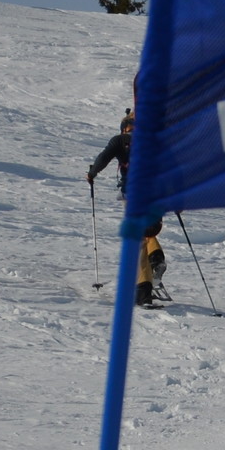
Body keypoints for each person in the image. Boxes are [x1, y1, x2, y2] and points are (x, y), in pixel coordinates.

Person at [89, 112, 169, 307]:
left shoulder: (120, 141)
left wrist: (91, 174)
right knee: (148, 229)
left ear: (125, 127)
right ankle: (156, 256)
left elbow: (103, 159)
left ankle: (143, 291)